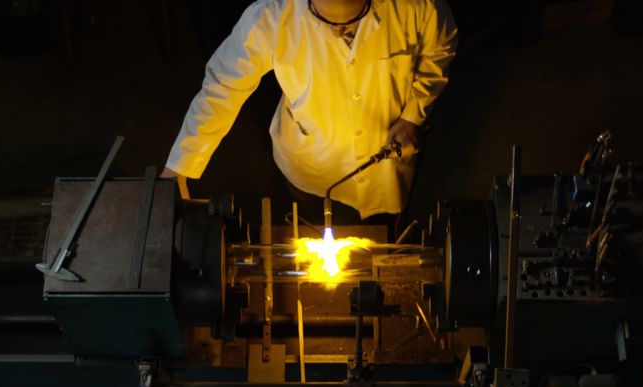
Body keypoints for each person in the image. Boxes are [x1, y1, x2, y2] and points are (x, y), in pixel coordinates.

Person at [160, 0, 458, 227]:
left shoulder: (417, 7)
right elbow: (222, 88)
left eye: (351, 24)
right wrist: (178, 169)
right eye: (326, 22)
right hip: (308, 166)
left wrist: (414, 113)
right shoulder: (272, 17)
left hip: (384, 169)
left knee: (378, 242)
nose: (337, 32)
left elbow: (441, 46)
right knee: (311, 231)